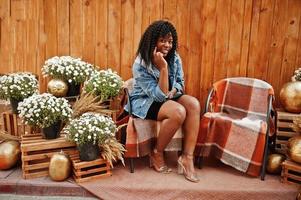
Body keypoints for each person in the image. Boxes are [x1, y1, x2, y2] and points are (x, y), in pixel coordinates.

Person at [124, 20, 200, 183]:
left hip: (168, 96)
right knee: (178, 112)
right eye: (163, 40)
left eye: (170, 41)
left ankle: (187, 157)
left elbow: (180, 82)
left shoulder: (175, 58)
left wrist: (175, 90)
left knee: (193, 104)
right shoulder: (140, 64)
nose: (167, 45)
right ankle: (157, 152)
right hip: (145, 101)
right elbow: (158, 96)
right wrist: (163, 68)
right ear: (153, 42)